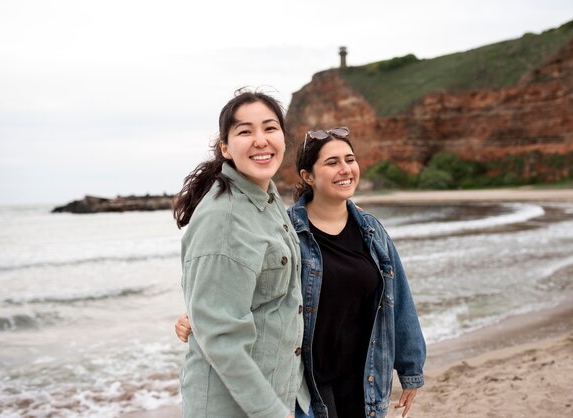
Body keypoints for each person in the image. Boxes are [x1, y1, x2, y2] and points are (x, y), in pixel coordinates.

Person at [176, 126, 426, 418]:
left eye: (350, 159)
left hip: (364, 376)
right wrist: (197, 315)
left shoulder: (372, 231)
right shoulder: (284, 230)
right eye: (332, 163)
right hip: (304, 383)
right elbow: (244, 287)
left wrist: (411, 370)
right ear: (308, 176)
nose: (345, 169)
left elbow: (398, 300)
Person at [173, 90, 311, 418]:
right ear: (225, 147)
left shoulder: (267, 198)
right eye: (245, 131)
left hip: (285, 390)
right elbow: (222, 340)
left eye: (269, 128)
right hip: (241, 407)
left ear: (283, 137)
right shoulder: (223, 216)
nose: (260, 140)